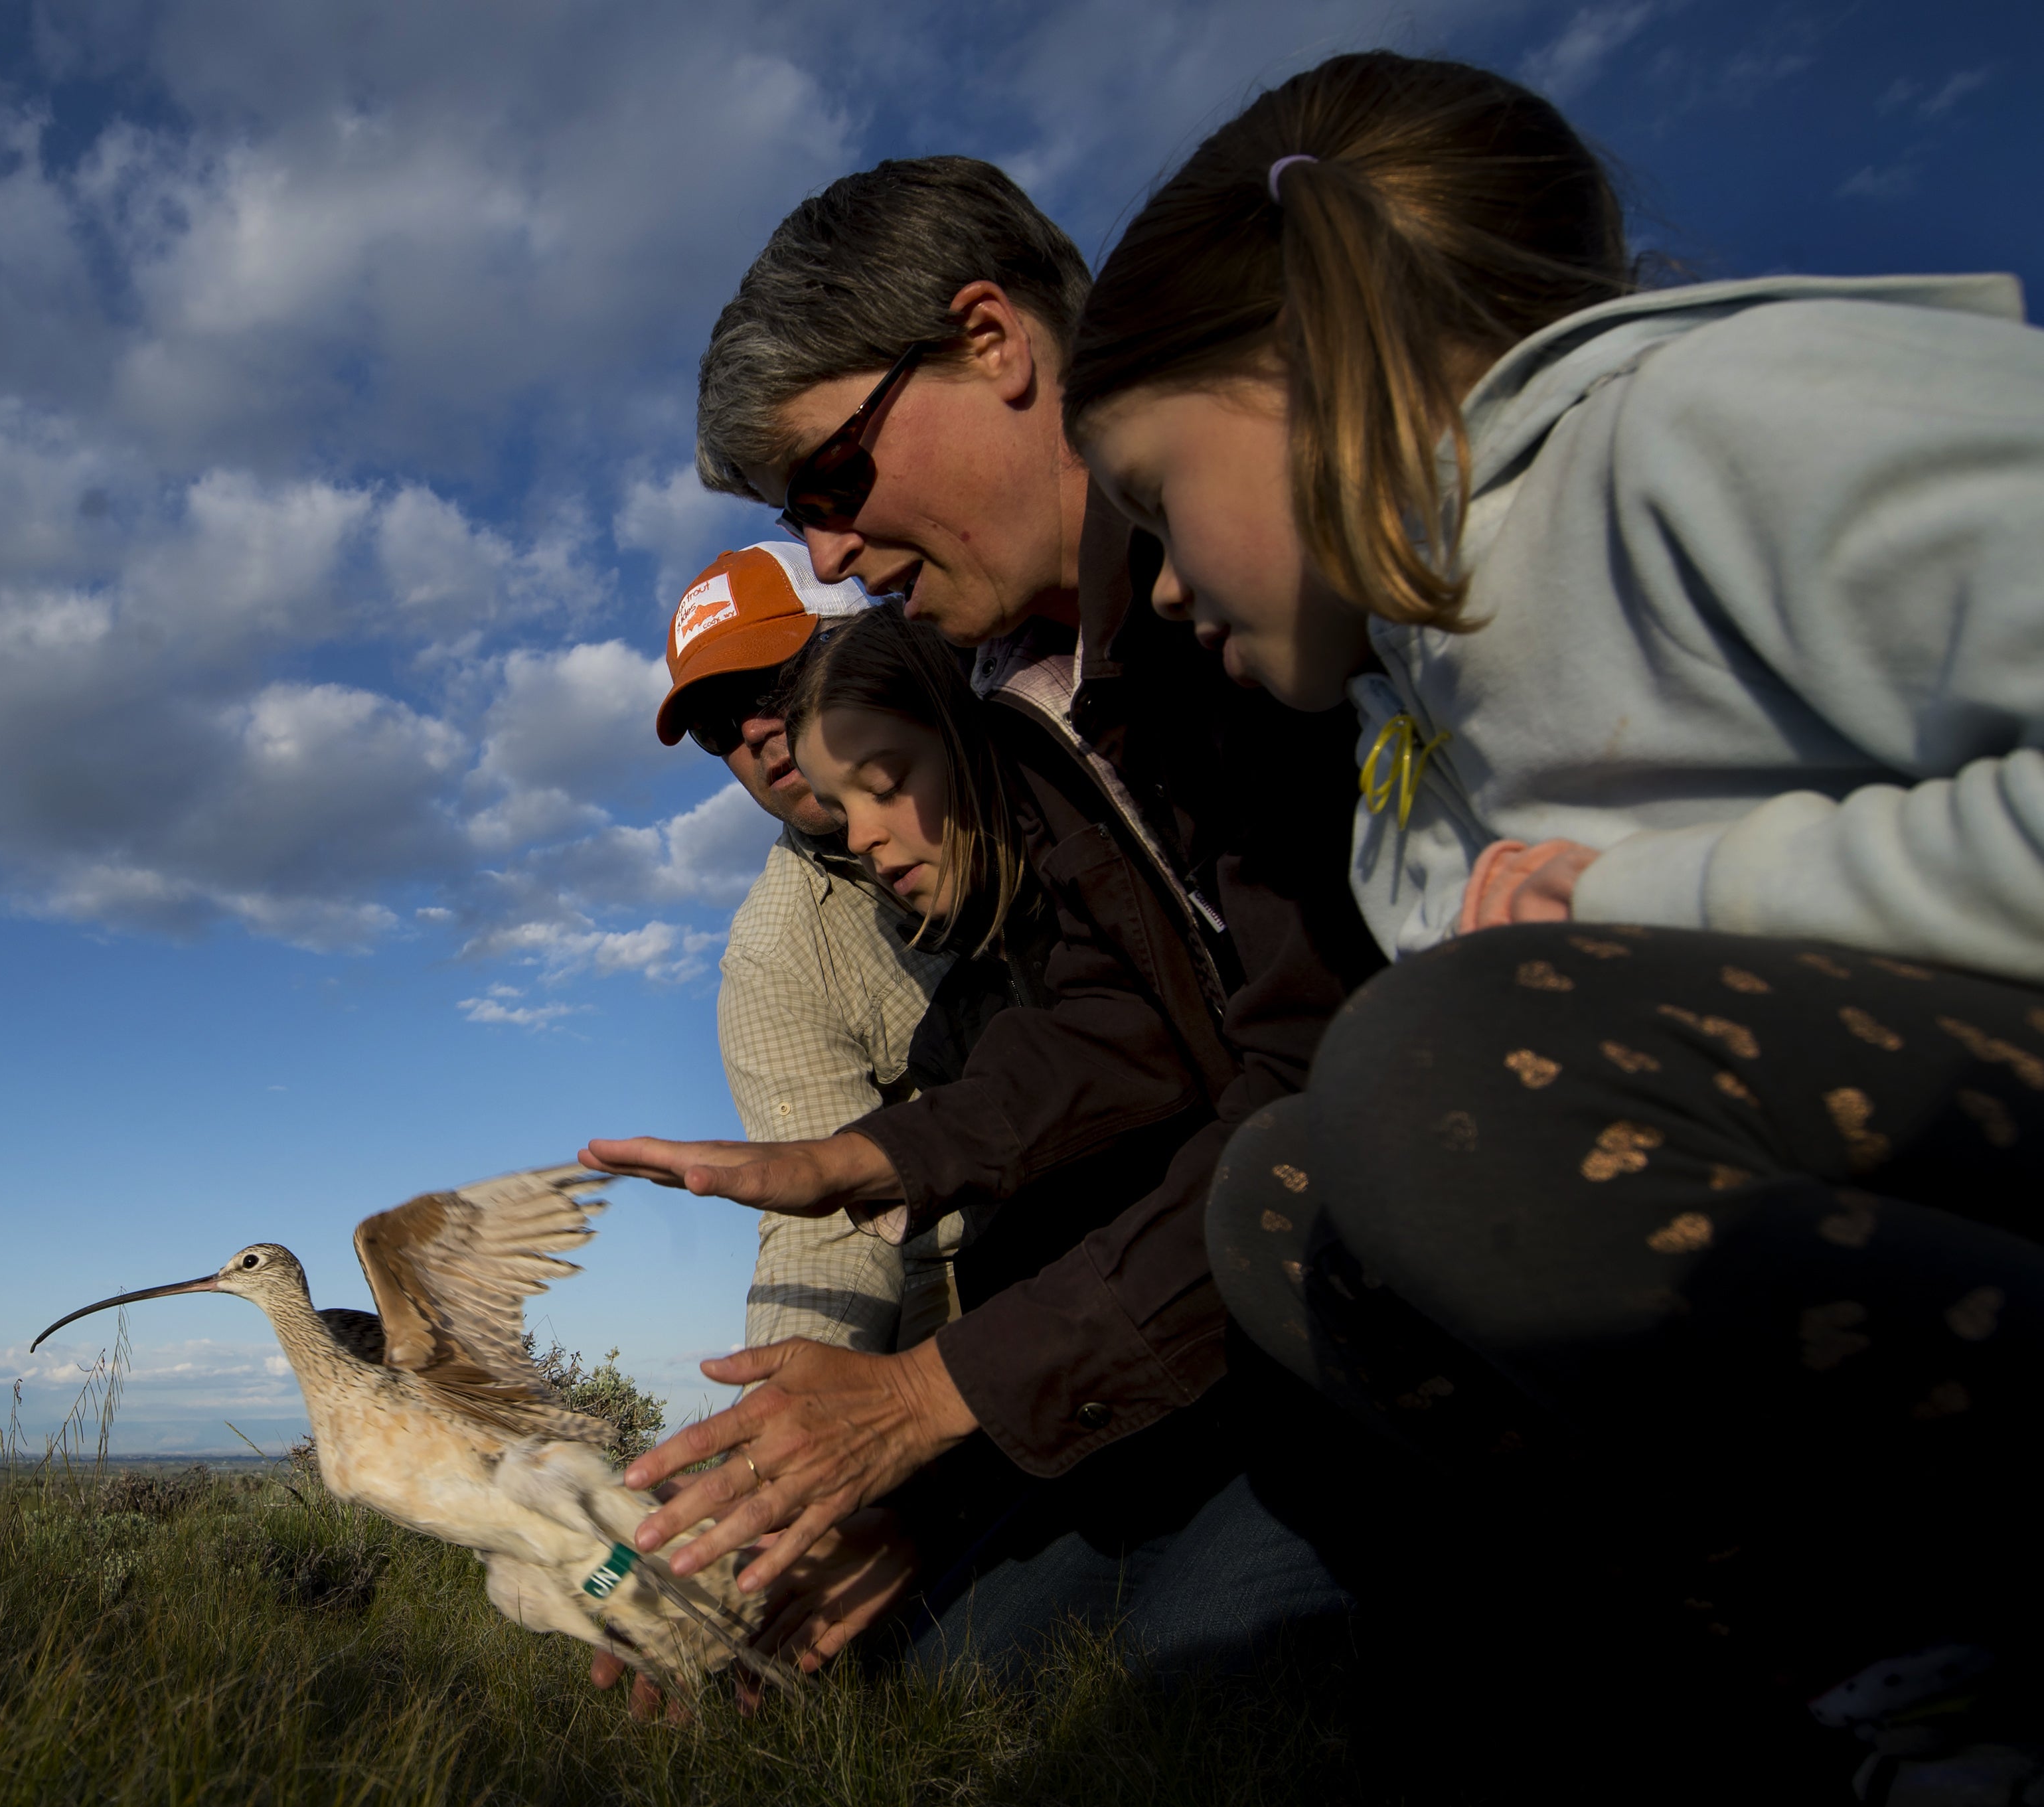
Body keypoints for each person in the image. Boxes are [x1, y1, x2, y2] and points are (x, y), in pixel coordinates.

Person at [1058, 47, 2044, 1791]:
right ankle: (1896, 1690)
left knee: (1440, 1063)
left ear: (1305, 365)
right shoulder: (1405, 737)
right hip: (1899, 1170)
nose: (1150, 584)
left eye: (1151, 498)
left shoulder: (1710, 427)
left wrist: (1654, 900)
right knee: (1290, 1194)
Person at [583, 155, 1381, 1680]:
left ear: (995, 343)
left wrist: (930, 1402)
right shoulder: (825, 906)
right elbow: (1095, 1038)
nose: (827, 548)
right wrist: (804, 1449)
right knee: (961, 1662)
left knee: (1214, 1658)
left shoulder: (1196, 608)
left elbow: (1299, 1070)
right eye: (724, 729)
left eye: (829, 485)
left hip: (1319, 1278)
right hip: (1143, 1302)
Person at [654, 540, 971, 1355]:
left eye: (775, 684)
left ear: (868, 639)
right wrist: (785, 1397)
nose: (758, 730)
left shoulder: (1039, 738)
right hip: (977, 1267)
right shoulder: (772, 955)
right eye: (721, 723)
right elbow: (824, 1223)